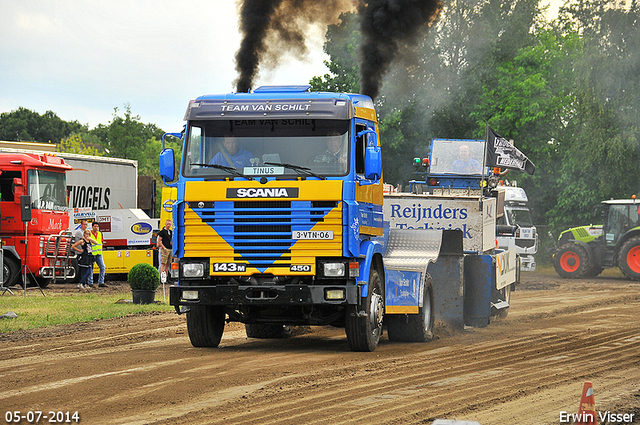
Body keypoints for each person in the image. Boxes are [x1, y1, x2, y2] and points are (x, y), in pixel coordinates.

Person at [88, 221, 107, 288]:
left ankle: (101, 282)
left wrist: (101, 250)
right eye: (95, 226)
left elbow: (101, 242)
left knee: (102, 267)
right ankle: (90, 283)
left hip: (99, 253)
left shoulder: (100, 233)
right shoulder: (89, 233)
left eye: (97, 226)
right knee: (91, 268)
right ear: (92, 227)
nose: (96, 228)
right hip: (92, 253)